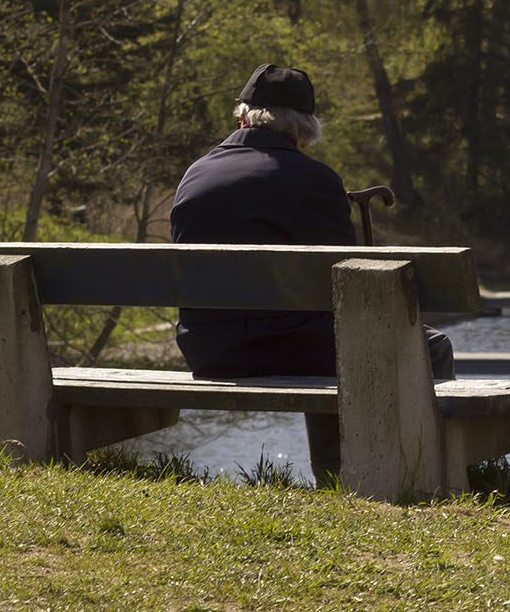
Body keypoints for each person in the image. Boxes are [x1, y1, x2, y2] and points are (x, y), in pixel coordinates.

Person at [171, 63, 453, 484]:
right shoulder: (316, 181)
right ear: (304, 131)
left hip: (211, 352)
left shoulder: (195, 174)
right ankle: (418, 474)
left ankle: (337, 476)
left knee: (327, 335)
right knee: (426, 345)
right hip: (286, 348)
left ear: (242, 117)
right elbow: (349, 293)